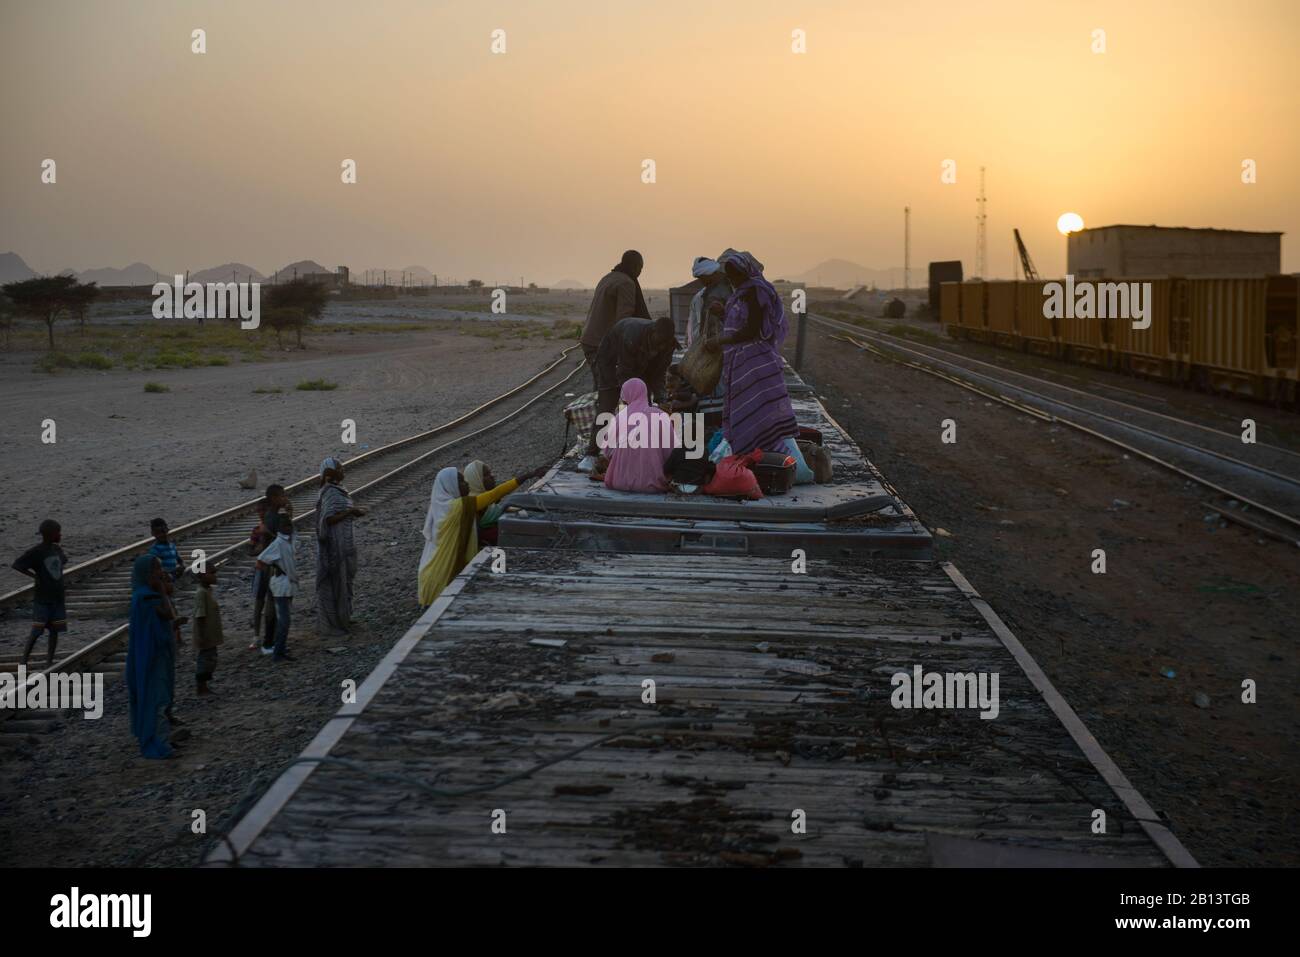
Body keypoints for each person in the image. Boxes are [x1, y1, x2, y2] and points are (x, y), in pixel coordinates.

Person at [704, 249, 798, 456]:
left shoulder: (756, 291)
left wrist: (720, 339)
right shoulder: (742, 293)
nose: (733, 280)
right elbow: (737, 323)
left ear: (744, 273)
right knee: (748, 409)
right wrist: (723, 313)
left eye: (735, 276)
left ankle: (764, 456)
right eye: (730, 277)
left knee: (758, 410)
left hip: (755, 362)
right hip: (742, 362)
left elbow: (751, 330)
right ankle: (751, 456)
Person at [579, 315, 678, 471]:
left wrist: (662, 399)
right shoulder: (631, 335)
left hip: (641, 366)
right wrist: (633, 404)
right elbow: (624, 372)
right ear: (653, 332)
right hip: (611, 363)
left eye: (664, 345)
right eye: (658, 344)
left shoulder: (668, 344)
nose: (660, 348)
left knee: (646, 411)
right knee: (607, 407)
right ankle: (591, 455)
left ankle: (641, 455)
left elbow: (658, 375)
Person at [126, 555, 185, 759]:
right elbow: (168, 614)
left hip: (158, 653)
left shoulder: (142, 594)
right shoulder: (147, 597)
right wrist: (162, 590)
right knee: (157, 699)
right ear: (147, 574)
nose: (162, 574)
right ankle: (159, 744)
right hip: (152, 656)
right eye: (157, 570)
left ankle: (163, 739)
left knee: (162, 695)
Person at [580, 250, 651, 389]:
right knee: (608, 388)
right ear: (635, 266)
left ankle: (603, 408)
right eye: (640, 268)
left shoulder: (608, 277)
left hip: (590, 339)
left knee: (602, 384)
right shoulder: (626, 283)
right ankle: (605, 409)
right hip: (601, 343)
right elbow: (624, 322)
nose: (640, 272)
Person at [316, 457, 366, 637]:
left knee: (347, 580)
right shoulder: (329, 492)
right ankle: (335, 622)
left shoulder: (339, 490)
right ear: (331, 472)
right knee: (336, 581)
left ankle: (346, 615)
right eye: (340, 468)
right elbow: (328, 519)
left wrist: (352, 513)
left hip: (346, 543)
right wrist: (351, 512)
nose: (343, 471)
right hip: (335, 545)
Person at [599, 377, 677, 493]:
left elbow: (607, 451)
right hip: (652, 485)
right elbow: (670, 451)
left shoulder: (620, 417)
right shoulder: (660, 415)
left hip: (619, 482)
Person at [11, 519, 67, 669]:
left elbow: (62, 563)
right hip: (42, 598)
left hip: (57, 597)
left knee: (54, 630)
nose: (60, 535)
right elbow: (17, 565)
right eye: (58, 532)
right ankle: (23, 661)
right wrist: (35, 576)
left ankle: (49, 662)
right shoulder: (37, 552)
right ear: (51, 534)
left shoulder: (57, 550)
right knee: (37, 631)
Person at [418, 468, 478, 607]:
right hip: (438, 579)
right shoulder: (456, 507)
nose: (466, 483)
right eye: (461, 481)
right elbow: (490, 497)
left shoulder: (440, 507)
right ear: (450, 486)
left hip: (429, 575)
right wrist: (523, 478)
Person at [249, 484, 289, 650]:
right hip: (268, 568)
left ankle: (268, 640)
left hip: (268, 566)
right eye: (282, 496)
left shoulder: (273, 519)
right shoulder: (269, 521)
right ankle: (266, 640)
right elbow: (261, 547)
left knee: (271, 604)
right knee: (269, 604)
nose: (284, 499)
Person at [463, 460, 537, 547]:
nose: (492, 476)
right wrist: (527, 476)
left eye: (490, 473)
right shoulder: (475, 502)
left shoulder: (486, 499)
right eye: (486, 475)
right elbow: (497, 492)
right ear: (476, 479)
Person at [255, 510, 297, 661]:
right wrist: (275, 567)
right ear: (279, 528)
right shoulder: (278, 544)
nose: (289, 527)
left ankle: (280, 649)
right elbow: (260, 562)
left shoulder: (289, 540)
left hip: (288, 585)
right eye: (285, 525)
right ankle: (278, 653)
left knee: (285, 621)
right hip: (280, 586)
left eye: (290, 524)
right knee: (284, 621)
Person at [191, 568, 224, 695]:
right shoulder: (201, 593)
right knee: (205, 659)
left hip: (209, 635)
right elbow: (200, 615)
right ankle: (201, 686)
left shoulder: (207, 591)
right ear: (202, 576)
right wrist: (201, 636)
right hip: (205, 636)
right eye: (212, 573)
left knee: (210, 659)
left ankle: (204, 685)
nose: (215, 576)